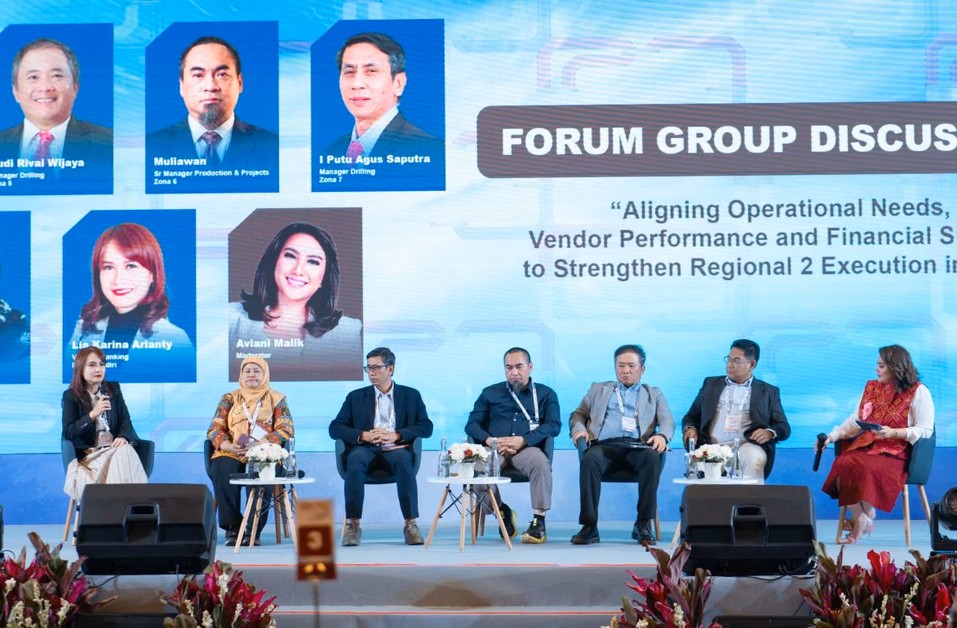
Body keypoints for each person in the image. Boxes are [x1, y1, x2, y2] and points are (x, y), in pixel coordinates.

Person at [818, 345, 934, 544]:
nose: (876, 370)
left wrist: (894, 432)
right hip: (867, 448)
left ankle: (867, 512)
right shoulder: (871, 387)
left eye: (881, 366)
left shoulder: (919, 391)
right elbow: (855, 421)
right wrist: (832, 436)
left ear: (896, 367)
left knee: (860, 464)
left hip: (897, 453)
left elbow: (925, 430)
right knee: (842, 462)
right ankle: (861, 516)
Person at [228, 222, 362, 381]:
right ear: (274, 262)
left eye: (313, 262)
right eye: (290, 256)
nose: (298, 270)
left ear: (325, 277)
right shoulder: (231, 319)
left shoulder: (347, 333)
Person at [569, 344, 674, 546]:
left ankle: (643, 524)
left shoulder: (654, 393)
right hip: (605, 446)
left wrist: (662, 436)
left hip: (638, 447)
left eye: (631, 366)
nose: (626, 370)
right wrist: (579, 430)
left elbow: (667, 420)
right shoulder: (598, 389)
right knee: (589, 459)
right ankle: (589, 526)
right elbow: (578, 414)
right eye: (621, 365)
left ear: (642, 369)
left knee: (652, 457)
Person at [329, 347, 433, 546]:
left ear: (390, 368)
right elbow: (335, 428)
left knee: (404, 459)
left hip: (395, 448)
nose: (371, 372)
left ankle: (411, 524)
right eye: (368, 368)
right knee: (355, 458)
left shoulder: (411, 395)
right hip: (366, 448)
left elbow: (426, 427)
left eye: (376, 367)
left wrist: (398, 435)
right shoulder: (355, 397)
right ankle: (353, 525)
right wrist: (363, 435)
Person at [465, 347, 561, 544]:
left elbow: (554, 425)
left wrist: (524, 440)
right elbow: (471, 425)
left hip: (527, 449)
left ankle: (539, 522)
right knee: (478, 469)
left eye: (519, 366)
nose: (514, 372)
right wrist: (490, 441)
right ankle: (502, 510)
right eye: (509, 368)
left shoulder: (546, 394)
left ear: (530, 367)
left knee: (540, 463)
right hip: (494, 448)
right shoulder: (489, 393)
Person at [68, 223, 192, 371]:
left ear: (153, 274)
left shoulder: (175, 338)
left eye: (131, 266)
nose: (118, 279)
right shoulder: (83, 329)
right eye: (108, 267)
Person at [148, 36, 278, 168]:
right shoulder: (150, 147)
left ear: (240, 83)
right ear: (181, 86)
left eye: (221, 74)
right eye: (198, 75)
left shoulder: (274, 147)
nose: (210, 86)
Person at [0, 38, 111, 187]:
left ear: (75, 87)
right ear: (15, 91)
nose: (45, 87)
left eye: (57, 76)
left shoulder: (110, 143)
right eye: (33, 77)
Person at [207, 356, 294, 545]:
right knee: (222, 467)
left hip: (264, 450)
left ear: (265, 374)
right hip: (233, 450)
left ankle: (253, 529)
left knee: (263, 470)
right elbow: (214, 429)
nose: (251, 375)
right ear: (241, 374)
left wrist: (260, 444)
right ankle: (233, 527)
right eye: (247, 371)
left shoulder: (277, 398)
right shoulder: (229, 398)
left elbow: (285, 429)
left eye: (256, 371)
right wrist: (228, 445)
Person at [681, 339, 791, 479]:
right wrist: (690, 428)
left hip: (746, 445)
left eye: (736, 361)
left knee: (752, 457)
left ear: (752, 365)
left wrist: (769, 433)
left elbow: (783, 427)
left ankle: (751, 494)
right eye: (729, 359)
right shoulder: (710, 384)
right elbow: (691, 416)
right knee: (704, 463)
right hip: (712, 446)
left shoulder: (768, 392)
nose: (729, 365)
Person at [326, 32, 442, 162]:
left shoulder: (431, 150)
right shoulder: (333, 151)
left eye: (371, 71)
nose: (357, 84)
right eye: (349, 72)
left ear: (398, 83)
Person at [62, 346, 147, 501]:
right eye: (92, 365)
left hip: (114, 449)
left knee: (124, 449)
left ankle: (114, 507)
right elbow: (68, 432)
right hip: (91, 455)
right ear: (80, 368)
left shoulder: (113, 389)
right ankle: (133, 506)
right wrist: (92, 415)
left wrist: (123, 437)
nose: (98, 369)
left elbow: (125, 420)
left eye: (102, 364)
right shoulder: (71, 396)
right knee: (125, 454)